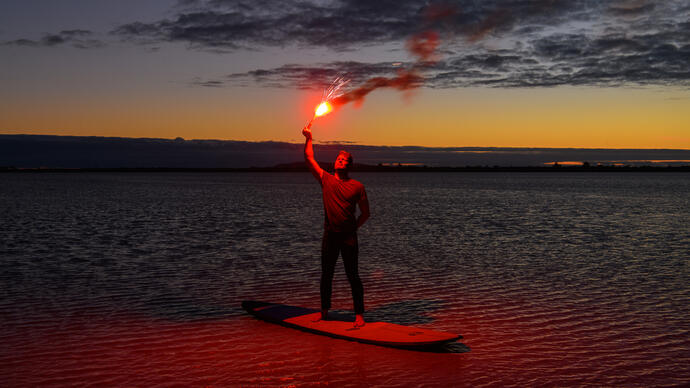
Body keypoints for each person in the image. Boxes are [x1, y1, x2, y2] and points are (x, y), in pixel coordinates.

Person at [302, 124, 370, 328]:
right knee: (326, 275)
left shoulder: (357, 186)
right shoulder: (326, 180)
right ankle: (324, 312)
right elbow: (309, 159)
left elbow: (366, 213)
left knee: (353, 276)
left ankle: (359, 315)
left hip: (348, 237)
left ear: (349, 165)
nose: (339, 161)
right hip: (330, 236)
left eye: (344, 160)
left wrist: (354, 228)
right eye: (338, 159)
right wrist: (309, 138)